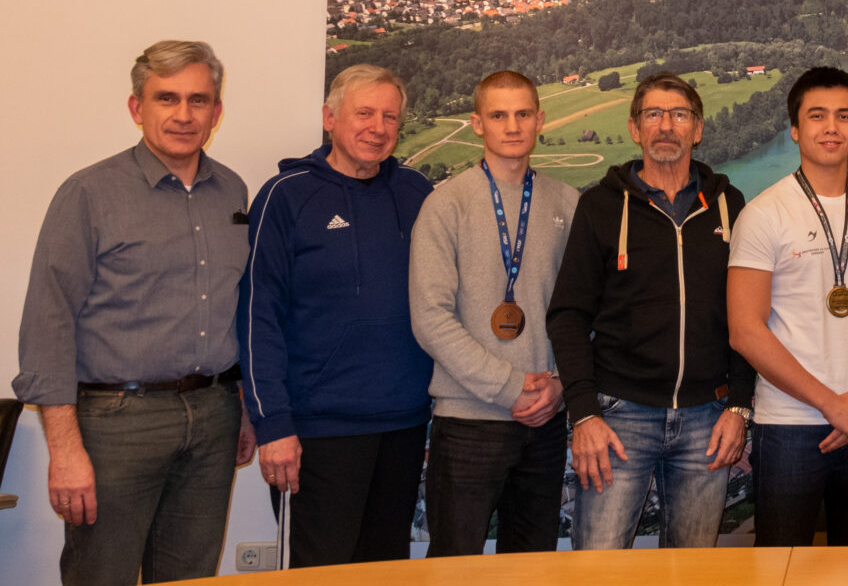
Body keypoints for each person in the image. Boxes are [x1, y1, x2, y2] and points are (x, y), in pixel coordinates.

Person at [13, 41, 252, 585]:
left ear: (216, 112)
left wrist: (240, 402)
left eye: (199, 100)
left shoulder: (232, 192)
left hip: (213, 416)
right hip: (117, 423)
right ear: (135, 107)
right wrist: (65, 449)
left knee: (190, 575)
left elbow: (235, 304)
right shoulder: (88, 194)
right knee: (102, 575)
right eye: (167, 98)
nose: (184, 114)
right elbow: (47, 323)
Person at [238, 63, 435, 567]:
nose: (378, 127)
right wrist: (272, 425)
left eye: (390, 116)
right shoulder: (287, 196)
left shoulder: (417, 193)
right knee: (317, 572)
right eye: (364, 113)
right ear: (329, 118)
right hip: (315, 431)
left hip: (404, 423)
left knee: (386, 570)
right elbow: (258, 314)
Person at [547, 72, 752, 549]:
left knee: (692, 573)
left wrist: (740, 406)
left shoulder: (728, 205)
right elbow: (568, 315)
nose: (666, 126)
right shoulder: (600, 206)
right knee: (599, 570)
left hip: (709, 417)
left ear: (697, 129)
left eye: (679, 115)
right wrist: (583, 414)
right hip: (619, 419)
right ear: (635, 128)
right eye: (653, 115)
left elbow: (748, 316)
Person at [726, 66, 848, 546]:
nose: (831, 127)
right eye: (817, 115)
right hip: (790, 426)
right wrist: (831, 405)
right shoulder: (764, 213)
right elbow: (745, 330)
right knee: (781, 568)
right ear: (795, 129)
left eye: (844, 116)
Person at [409, 71, 578, 556]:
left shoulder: (568, 203)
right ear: (477, 123)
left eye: (523, 113)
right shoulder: (445, 204)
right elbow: (431, 318)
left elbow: (584, 313)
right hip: (468, 421)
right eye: (498, 115)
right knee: (455, 567)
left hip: (545, 418)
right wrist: (509, 388)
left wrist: (560, 385)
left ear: (540, 120)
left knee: (531, 566)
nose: (512, 125)